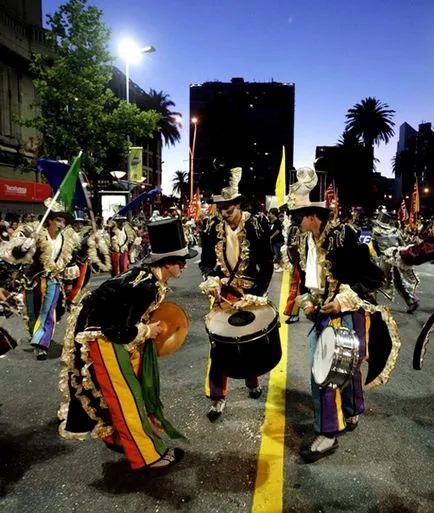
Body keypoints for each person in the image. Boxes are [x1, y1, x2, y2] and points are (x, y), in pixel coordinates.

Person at [59, 218, 197, 470]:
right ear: (166, 262)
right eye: (181, 261)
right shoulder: (146, 285)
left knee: (123, 391)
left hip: (107, 332)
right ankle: (148, 456)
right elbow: (115, 327)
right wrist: (146, 330)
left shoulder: (151, 278)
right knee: (126, 396)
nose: (185, 266)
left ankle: (118, 437)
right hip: (102, 337)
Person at [287, 167, 400, 462]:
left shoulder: (344, 235)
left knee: (325, 373)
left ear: (313, 214)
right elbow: (307, 280)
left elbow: (369, 278)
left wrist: (341, 302)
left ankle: (328, 432)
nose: (295, 222)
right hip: (323, 312)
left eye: (298, 217)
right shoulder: (303, 241)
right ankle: (351, 411)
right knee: (341, 369)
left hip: (347, 311)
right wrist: (309, 302)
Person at [199, 166, 274, 421]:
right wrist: (210, 279)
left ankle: (252, 381)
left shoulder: (257, 224)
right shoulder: (211, 226)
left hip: (250, 293)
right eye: (220, 209)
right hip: (223, 294)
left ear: (239, 205)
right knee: (218, 345)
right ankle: (217, 397)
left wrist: (257, 294)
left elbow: (267, 263)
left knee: (249, 341)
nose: (224, 215)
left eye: (228, 210)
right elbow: (206, 261)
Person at [0, 198, 78, 360]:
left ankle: (42, 344)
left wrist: (69, 282)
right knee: (32, 312)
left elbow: (68, 258)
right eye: (58, 220)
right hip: (33, 280)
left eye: (63, 221)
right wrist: (23, 248)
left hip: (53, 280)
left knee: (48, 311)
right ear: (49, 220)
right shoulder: (35, 235)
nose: (61, 224)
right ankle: (35, 335)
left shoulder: (66, 239)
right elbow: (15, 256)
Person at [371, 211, 420, 313]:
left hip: (385, 260)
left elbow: (375, 246)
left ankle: (372, 303)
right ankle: (412, 301)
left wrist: (379, 255)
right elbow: (403, 244)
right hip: (397, 258)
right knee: (399, 282)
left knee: (377, 280)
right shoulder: (395, 231)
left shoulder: (375, 232)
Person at [268, 208, 284, 272]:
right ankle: (279, 265)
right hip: (273, 241)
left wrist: (271, 236)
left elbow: (278, 231)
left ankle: (281, 266)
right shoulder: (270, 221)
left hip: (278, 240)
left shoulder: (277, 222)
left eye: (270, 214)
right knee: (275, 253)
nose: (269, 215)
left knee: (278, 254)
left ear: (274, 214)